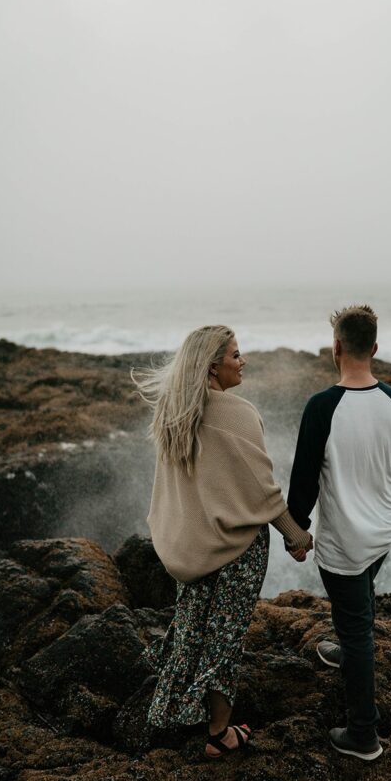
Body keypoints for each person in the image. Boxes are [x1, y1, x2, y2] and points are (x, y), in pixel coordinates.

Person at [134, 325, 312, 758]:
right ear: (213, 366)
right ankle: (219, 733)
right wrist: (296, 536)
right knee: (225, 637)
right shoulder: (237, 412)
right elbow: (261, 490)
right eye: (235, 354)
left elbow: (174, 491)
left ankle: (172, 715)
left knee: (192, 632)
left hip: (192, 548)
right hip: (237, 550)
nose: (242, 360)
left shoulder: (174, 415)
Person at [286, 305, 391, 762]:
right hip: (382, 531)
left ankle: (364, 734)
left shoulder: (323, 407)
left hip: (344, 538)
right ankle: (345, 648)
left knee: (359, 628)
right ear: (375, 348)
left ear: (336, 347)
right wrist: (375, 498)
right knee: (359, 602)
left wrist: (295, 531)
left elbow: (303, 479)